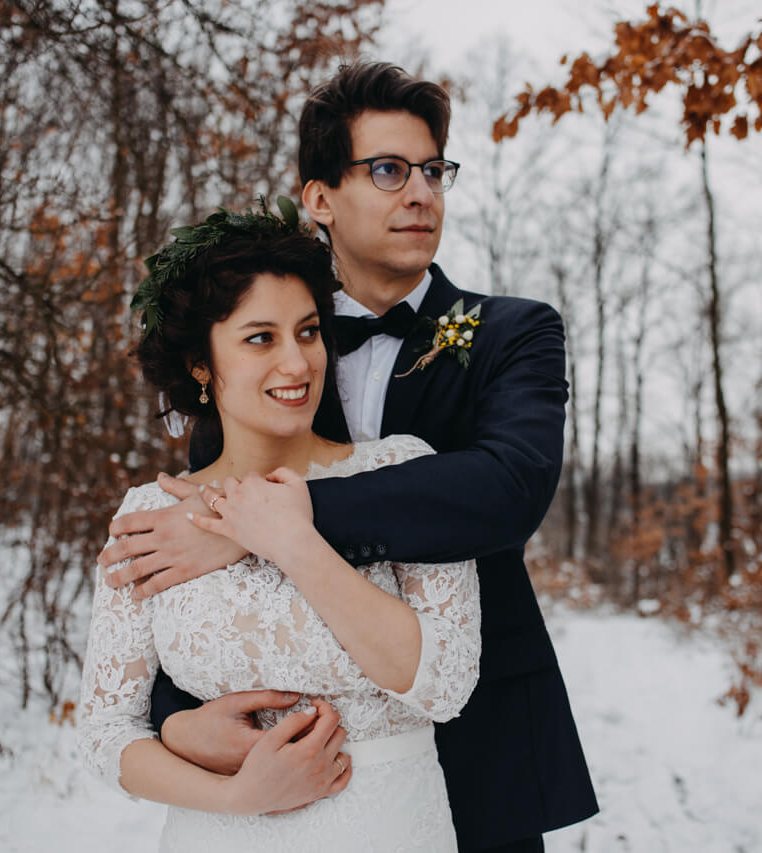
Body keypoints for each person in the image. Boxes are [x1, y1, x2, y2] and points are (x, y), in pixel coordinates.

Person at [100, 62, 600, 851]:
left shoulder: (513, 332)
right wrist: (177, 721)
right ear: (320, 197)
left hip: (482, 744)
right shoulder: (258, 361)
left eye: (434, 170)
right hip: (277, 776)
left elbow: (509, 488)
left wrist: (277, 521)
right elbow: (205, 604)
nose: (422, 192)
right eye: (390, 170)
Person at [77, 202, 481, 851]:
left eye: (308, 331)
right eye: (261, 338)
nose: (297, 364)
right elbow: (105, 732)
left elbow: (447, 685)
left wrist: (290, 540)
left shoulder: (402, 470)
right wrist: (238, 796)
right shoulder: (149, 516)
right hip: (217, 834)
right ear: (201, 363)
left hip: (388, 827)